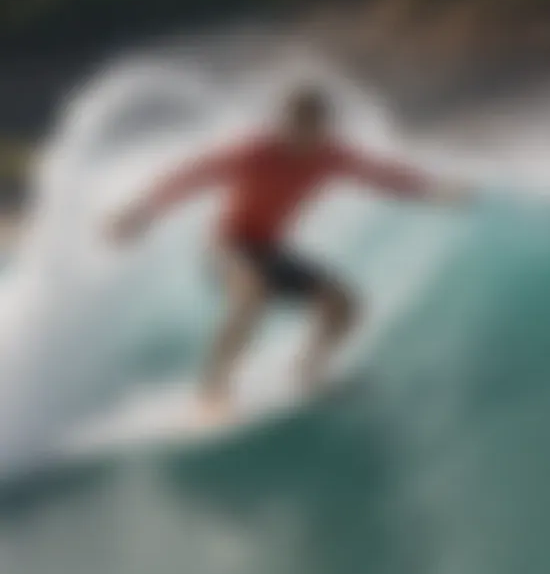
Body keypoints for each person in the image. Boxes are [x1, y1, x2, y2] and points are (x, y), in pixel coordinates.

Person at [109, 86, 476, 422]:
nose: (306, 136)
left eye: (315, 127)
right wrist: (139, 213)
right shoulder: (254, 152)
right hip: (226, 246)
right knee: (250, 295)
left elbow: (381, 174)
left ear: (323, 126)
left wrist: (433, 191)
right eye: (298, 126)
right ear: (286, 124)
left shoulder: (330, 155)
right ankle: (212, 391)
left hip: (269, 248)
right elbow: (190, 176)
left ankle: (308, 373)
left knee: (343, 305)